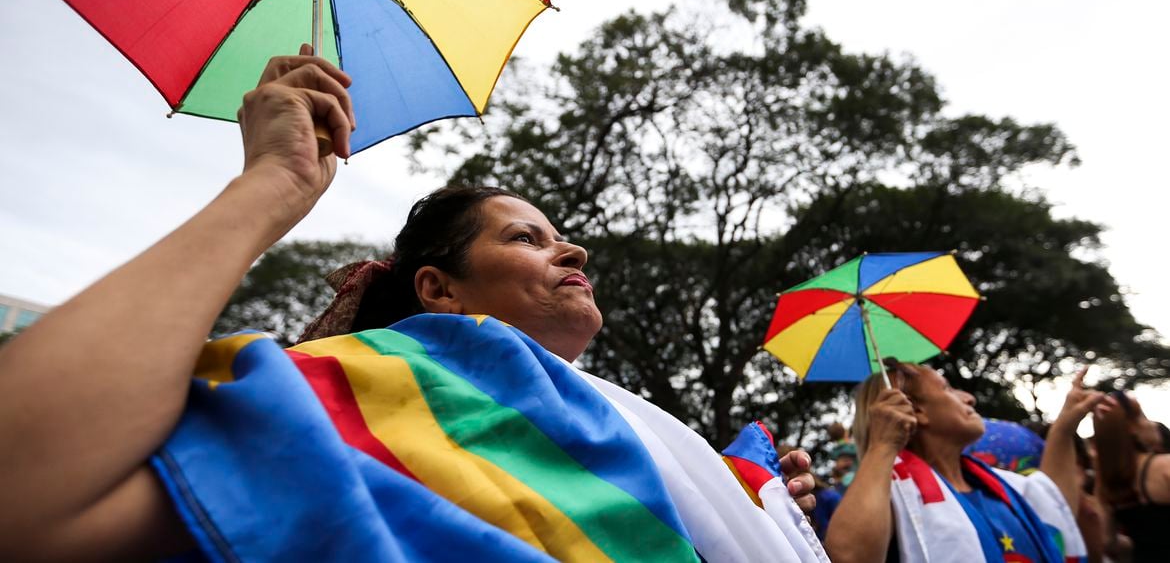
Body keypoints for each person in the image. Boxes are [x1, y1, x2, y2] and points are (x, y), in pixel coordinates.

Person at [0, 48, 826, 562]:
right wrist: (270, 185)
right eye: (528, 239)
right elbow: (24, 495)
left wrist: (752, 506)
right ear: (438, 290)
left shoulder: (631, 436)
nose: (572, 251)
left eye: (563, 239)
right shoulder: (386, 390)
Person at [823, 360, 1099, 563]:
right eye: (947, 388)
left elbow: (1056, 503)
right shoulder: (893, 494)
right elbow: (848, 557)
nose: (969, 397)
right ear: (916, 410)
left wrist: (1065, 424)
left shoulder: (999, 484)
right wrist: (883, 445)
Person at [1093, 390, 1170, 562]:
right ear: (1131, 428)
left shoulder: (1105, 482)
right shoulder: (1165, 466)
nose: (1152, 424)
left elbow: (1107, 541)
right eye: (1143, 416)